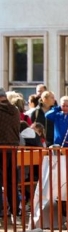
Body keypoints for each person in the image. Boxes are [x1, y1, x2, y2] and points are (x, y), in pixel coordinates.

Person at [0, 88, 20, 218]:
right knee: (12, 181)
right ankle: (15, 210)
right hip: (12, 149)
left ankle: (1, 210)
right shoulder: (15, 110)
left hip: (1, 148)